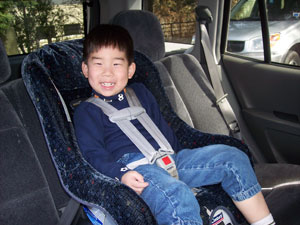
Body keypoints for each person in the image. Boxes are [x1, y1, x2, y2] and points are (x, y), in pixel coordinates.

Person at [74, 24, 275, 225]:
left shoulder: (141, 93)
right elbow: (92, 153)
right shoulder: (87, 110)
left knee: (233, 158)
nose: (107, 73)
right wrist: (121, 174)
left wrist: (181, 160)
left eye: (116, 64)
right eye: (98, 64)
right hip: (136, 170)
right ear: (85, 69)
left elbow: (162, 128)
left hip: (170, 158)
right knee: (177, 195)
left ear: (130, 70)